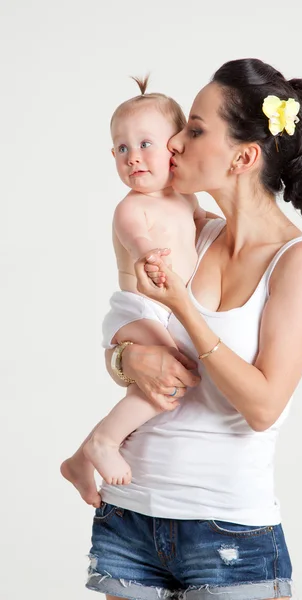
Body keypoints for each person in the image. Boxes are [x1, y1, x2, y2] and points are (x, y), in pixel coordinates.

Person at [86, 58, 302, 600]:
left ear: (244, 157)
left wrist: (187, 309)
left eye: (195, 130)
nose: (173, 143)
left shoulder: (299, 263)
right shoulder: (189, 235)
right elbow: (130, 326)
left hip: (228, 534)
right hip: (130, 514)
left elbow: (263, 406)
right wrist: (125, 360)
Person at [61, 77, 216, 506]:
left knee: (168, 377)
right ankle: (103, 443)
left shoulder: (184, 199)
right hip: (137, 308)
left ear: (175, 147)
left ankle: (79, 459)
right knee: (175, 371)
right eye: (123, 149)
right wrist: (151, 252)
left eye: (146, 144)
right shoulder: (131, 207)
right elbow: (136, 239)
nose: (133, 158)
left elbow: (205, 221)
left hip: (160, 311)